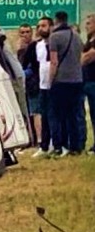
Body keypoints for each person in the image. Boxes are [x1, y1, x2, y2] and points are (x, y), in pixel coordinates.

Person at [48, 11, 84, 157]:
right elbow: (79, 57)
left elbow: (54, 61)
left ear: (56, 21)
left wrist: (51, 79)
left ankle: (62, 145)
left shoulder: (54, 37)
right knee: (74, 114)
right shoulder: (76, 36)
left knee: (59, 114)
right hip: (77, 79)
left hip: (61, 80)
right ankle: (76, 146)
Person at [31, 17, 54, 158]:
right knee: (44, 115)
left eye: (44, 25)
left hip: (55, 84)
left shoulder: (55, 43)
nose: (41, 28)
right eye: (39, 26)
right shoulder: (37, 45)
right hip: (43, 85)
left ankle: (56, 143)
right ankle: (44, 145)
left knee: (55, 116)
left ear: (51, 27)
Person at [81, 13, 95, 155]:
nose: (86, 26)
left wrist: (83, 57)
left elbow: (87, 58)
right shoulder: (88, 41)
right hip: (87, 81)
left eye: (89, 23)